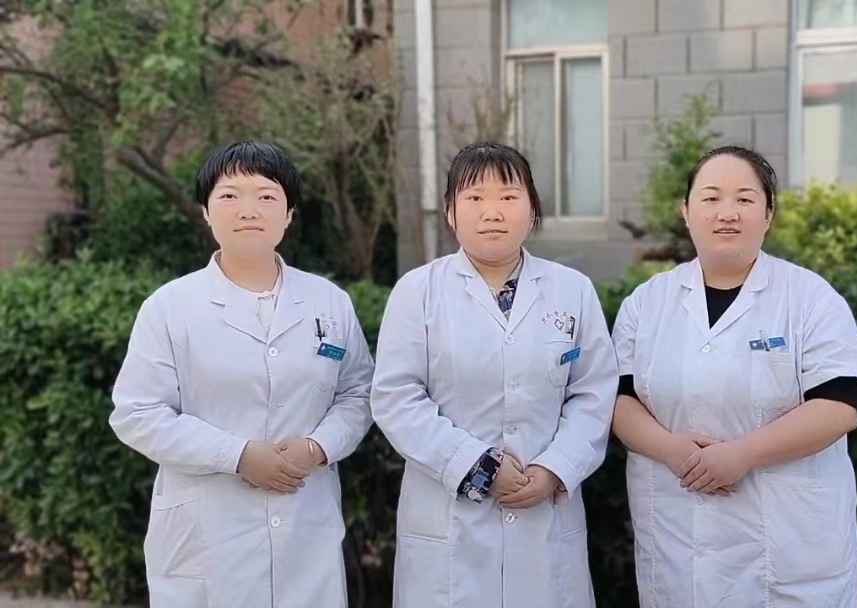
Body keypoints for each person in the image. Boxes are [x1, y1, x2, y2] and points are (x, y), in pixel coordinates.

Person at [109, 141, 375, 608]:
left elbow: (358, 393)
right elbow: (137, 413)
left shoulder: (329, 302)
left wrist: (318, 447)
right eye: (230, 195)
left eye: (267, 196)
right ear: (206, 212)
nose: (248, 209)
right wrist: (237, 455)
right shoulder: (170, 307)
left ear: (289, 215)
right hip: (208, 535)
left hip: (305, 526)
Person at [610, 145, 857, 607]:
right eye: (711, 198)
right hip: (678, 544)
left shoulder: (809, 298)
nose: (726, 213)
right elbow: (618, 399)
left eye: (745, 199)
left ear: (768, 214)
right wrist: (670, 449)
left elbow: (841, 405)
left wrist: (744, 454)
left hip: (789, 551)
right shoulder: (646, 303)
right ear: (686, 211)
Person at [370, 142, 618, 608]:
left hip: (544, 515)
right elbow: (396, 398)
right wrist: (477, 466)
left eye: (508, 196)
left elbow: (593, 394)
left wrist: (555, 468)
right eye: (474, 198)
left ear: (532, 209)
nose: (493, 212)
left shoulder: (573, 290)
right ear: (450, 212)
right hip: (450, 525)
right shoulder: (418, 292)